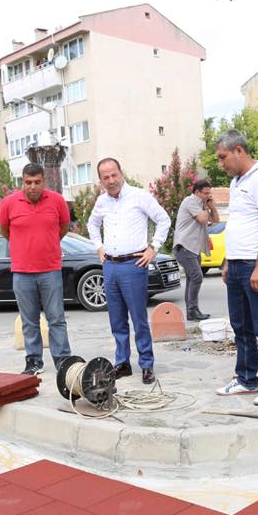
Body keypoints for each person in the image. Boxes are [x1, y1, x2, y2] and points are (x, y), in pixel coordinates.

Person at [211, 130, 258, 406]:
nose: (221, 164)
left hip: (257, 265)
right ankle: (246, 378)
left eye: (223, 157)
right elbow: (239, 224)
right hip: (237, 265)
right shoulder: (236, 182)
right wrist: (228, 261)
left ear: (239, 150)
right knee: (241, 326)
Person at [87, 158, 171, 385]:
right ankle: (122, 363)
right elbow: (92, 224)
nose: (111, 180)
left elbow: (163, 219)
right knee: (117, 320)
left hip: (134, 266)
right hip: (110, 266)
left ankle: (146, 365)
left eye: (114, 175)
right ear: (101, 180)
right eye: (106, 177)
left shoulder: (139, 196)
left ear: (120, 173)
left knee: (138, 318)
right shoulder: (102, 201)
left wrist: (153, 248)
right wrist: (98, 247)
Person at [0, 162, 72, 375]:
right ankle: (33, 361)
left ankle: (62, 360)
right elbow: (5, 230)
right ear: (22, 182)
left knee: (56, 319)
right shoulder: (8, 203)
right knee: (29, 321)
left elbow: (64, 227)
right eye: (28, 182)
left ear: (44, 181)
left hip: (50, 270)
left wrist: (48, 243)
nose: (32, 186)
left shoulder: (57, 201)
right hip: (22, 272)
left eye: (37, 182)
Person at [173, 179, 220, 321]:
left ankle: (192, 311)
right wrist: (206, 207)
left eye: (209, 193)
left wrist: (212, 207)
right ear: (197, 192)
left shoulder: (201, 204)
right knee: (197, 277)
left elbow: (216, 220)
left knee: (191, 278)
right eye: (205, 193)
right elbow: (202, 218)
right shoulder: (191, 201)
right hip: (185, 246)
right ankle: (192, 310)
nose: (208, 196)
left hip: (194, 248)